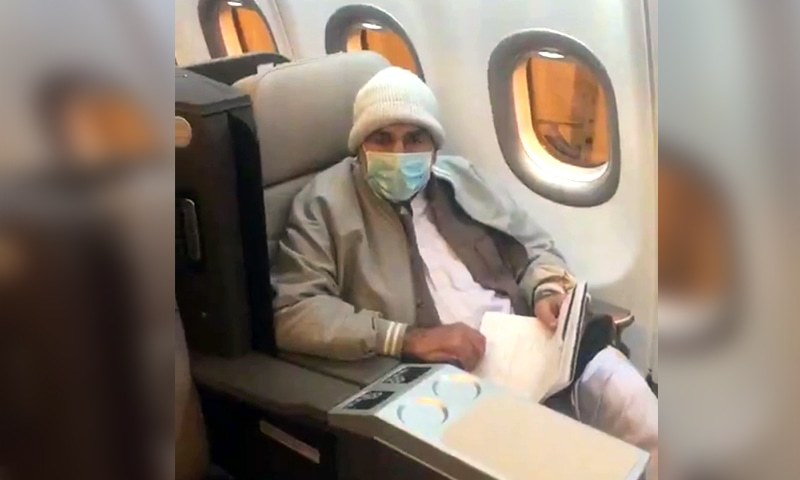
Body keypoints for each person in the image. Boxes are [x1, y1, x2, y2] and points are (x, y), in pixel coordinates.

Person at [270, 66, 658, 464]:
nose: (399, 153)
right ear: (359, 146)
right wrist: (408, 339)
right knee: (557, 462)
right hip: (451, 380)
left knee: (639, 410)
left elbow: (534, 246)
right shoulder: (324, 204)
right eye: (382, 138)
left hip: (532, 347)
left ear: (434, 148)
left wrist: (546, 289)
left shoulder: (462, 179)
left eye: (414, 138)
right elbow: (294, 311)